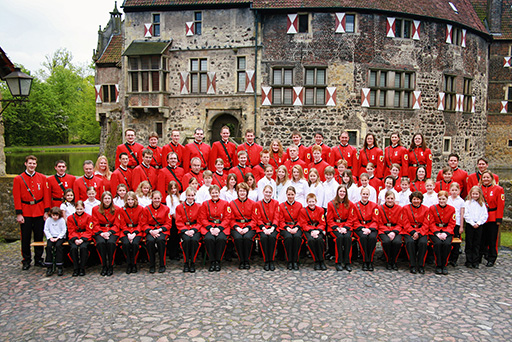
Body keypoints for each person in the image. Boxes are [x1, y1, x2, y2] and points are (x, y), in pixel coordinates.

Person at [13, 155, 50, 270]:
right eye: (30, 163)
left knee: (39, 237)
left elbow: (46, 196)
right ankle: (26, 259)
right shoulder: (19, 179)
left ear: (36, 165)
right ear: (25, 164)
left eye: (34, 163)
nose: (32, 165)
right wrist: (19, 213)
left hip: (39, 210)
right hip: (26, 211)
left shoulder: (42, 178)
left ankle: (38, 259)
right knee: (25, 237)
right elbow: (17, 197)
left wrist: (46, 211)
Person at [199, 185, 230, 272]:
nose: (215, 194)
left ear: (219, 193)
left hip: (221, 227)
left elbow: (227, 218)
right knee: (209, 239)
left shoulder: (225, 203)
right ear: (210, 194)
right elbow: (203, 218)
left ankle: (218, 261)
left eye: (216, 192)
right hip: (209, 227)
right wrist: (210, 229)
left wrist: (219, 228)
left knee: (221, 239)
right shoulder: (205, 204)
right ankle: (212, 261)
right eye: (213, 193)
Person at [479, 170, 505, 267]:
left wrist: (499, 218)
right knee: (482, 238)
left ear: (491, 178)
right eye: (484, 177)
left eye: (487, 177)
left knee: (492, 239)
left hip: (493, 216)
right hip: (481, 217)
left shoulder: (498, 189)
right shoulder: (479, 189)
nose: (486, 179)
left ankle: (492, 257)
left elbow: (500, 205)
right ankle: (480, 255)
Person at [327, 185, 356, 272]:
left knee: (347, 238)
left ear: (346, 193)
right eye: (340, 191)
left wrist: (346, 228)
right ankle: (338, 262)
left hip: (346, 226)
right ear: (337, 192)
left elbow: (351, 218)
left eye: (344, 192)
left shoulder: (350, 204)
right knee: (339, 238)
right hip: (335, 226)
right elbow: (329, 219)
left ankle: (347, 262)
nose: (342, 193)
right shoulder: (331, 204)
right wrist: (337, 228)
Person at [228, 182, 257, 270]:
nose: (242, 193)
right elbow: (231, 219)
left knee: (247, 238)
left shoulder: (253, 203)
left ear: (247, 192)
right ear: (237, 192)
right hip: (236, 226)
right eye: (240, 191)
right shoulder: (232, 204)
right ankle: (241, 260)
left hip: (249, 226)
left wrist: (248, 228)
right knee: (238, 238)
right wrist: (237, 227)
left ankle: (247, 260)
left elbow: (254, 219)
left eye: (244, 191)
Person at [426, 191, 455, 275]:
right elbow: (430, 222)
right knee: (437, 243)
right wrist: (437, 233)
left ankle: (444, 264)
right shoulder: (432, 208)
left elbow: (452, 223)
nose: (442, 201)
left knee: (447, 244)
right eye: (440, 199)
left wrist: (446, 233)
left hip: (447, 231)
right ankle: (438, 264)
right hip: (435, 231)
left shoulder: (451, 209)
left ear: (447, 199)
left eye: (444, 199)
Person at [142, 191, 171, 273]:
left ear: (161, 199)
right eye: (155, 198)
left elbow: (168, 224)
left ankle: (162, 264)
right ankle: (152, 264)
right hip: (150, 230)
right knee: (150, 241)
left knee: (161, 241)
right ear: (151, 199)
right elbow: (143, 223)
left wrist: (159, 230)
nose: (157, 200)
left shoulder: (166, 209)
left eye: (158, 198)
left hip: (161, 230)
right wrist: (151, 231)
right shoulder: (146, 209)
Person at [92, 191, 119, 276]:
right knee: (100, 243)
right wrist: (102, 233)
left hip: (112, 230)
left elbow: (117, 224)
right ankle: (104, 265)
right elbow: (94, 224)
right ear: (102, 200)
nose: (107, 200)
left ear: (111, 199)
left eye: (109, 198)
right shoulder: (95, 209)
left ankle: (110, 265)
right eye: (105, 198)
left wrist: (109, 232)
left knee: (111, 243)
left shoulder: (117, 209)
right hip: (100, 230)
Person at [401, 191, 429, 274]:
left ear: (421, 200)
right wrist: (413, 232)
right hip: (409, 231)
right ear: (411, 200)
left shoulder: (426, 209)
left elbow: (426, 223)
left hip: (421, 231)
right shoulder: (405, 208)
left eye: (418, 199)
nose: (416, 201)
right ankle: (412, 265)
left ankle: (421, 265)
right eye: (414, 199)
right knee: (410, 242)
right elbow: (405, 222)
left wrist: (419, 233)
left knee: (423, 243)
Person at [175, 187, 202, 273]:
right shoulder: (179, 207)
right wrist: (185, 230)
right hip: (184, 229)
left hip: (195, 229)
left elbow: (200, 221)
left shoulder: (199, 206)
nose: (190, 197)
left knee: (194, 240)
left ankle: (193, 262)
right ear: (186, 196)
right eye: (189, 195)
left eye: (192, 195)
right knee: (186, 241)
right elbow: (178, 221)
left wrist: (193, 230)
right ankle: (186, 262)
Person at [278, 186, 303, 270]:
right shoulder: (282, 206)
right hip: (285, 227)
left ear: (295, 194)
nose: (290, 196)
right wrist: (287, 228)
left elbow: (301, 219)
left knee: (297, 237)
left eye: (292, 194)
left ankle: (295, 261)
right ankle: (289, 260)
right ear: (286, 195)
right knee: (288, 238)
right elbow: (280, 220)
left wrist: (296, 228)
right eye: (288, 194)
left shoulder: (299, 205)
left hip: (296, 227)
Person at [118, 191, 144, 274]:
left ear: (135, 200)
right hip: (126, 231)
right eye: (128, 199)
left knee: (135, 244)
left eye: (132, 199)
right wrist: (128, 233)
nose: (130, 201)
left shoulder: (140, 209)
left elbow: (141, 223)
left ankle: (134, 263)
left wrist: (134, 233)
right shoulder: (122, 210)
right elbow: (122, 223)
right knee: (125, 244)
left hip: (137, 230)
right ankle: (129, 263)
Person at [353, 187, 379, 271]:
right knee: (363, 238)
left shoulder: (374, 205)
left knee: (372, 238)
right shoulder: (355, 205)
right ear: (360, 194)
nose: (365, 196)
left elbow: (376, 220)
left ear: (369, 195)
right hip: (360, 227)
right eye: (363, 194)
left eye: (367, 194)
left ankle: (370, 260)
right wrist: (362, 228)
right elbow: (354, 219)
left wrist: (370, 229)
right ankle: (365, 260)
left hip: (371, 227)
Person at [255, 185, 279, 271]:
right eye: (266, 192)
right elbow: (258, 218)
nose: (268, 194)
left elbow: (277, 217)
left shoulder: (276, 203)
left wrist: (272, 228)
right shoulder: (258, 204)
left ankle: (271, 260)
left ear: (272, 193)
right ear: (263, 192)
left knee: (272, 237)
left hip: (273, 227)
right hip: (263, 227)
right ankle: (266, 261)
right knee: (264, 238)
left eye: (269, 192)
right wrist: (264, 228)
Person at [300, 193, 327, 271]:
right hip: (308, 230)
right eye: (309, 202)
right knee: (311, 241)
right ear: (307, 202)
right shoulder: (303, 211)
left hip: (318, 230)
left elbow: (322, 223)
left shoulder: (320, 210)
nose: (311, 204)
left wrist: (318, 231)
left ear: (316, 201)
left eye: (313, 201)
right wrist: (311, 231)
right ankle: (316, 260)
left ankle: (321, 260)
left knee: (319, 240)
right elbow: (303, 224)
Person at [377, 191, 403, 271]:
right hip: (384, 230)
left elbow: (400, 223)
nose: (390, 200)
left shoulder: (399, 208)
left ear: (394, 199)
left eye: (392, 198)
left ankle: (394, 261)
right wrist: (388, 232)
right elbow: (379, 222)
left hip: (396, 230)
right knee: (386, 242)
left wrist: (394, 232)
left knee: (397, 242)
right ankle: (388, 261)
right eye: (388, 198)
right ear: (385, 199)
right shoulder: (380, 208)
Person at [463, 186, 488, 269]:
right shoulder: (467, 203)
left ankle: (475, 261)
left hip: (479, 225)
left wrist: (479, 223)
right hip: (470, 225)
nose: (475, 195)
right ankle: (469, 261)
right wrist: (472, 223)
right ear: (471, 194)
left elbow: (485, 215)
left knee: (477, 243)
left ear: (479, 194)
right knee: (469, 243)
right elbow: (466, 214)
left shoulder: (482, 204)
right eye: (473, 194)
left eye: (477, 194)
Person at [67, 200, 93, 276]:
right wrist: (75, 239)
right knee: (73, 248)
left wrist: (82, 239)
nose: (79, 211)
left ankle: (82, 267)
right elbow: (71, 230)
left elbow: (89, 230)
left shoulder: (89, 217)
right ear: (75, 208)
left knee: (83, 248)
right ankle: (75, 268)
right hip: (74, 237)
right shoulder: (70, 218)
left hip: (85, 237)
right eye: (77, 209)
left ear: (84, 208)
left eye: (81, 209)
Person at [43, 207, 67, 276]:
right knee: (49, 247)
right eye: (54, 215)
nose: (55, 217)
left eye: (57, 215)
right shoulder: (48, 220)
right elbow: (46, 229)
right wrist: (50, 237)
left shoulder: (61, 220)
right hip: (51, 236)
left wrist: (58, 237)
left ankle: (59, 266)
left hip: (60, 237)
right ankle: (49, 266)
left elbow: (63, 230)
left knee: (58, 246)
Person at [447, 182, 465, 266]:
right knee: (448, 241)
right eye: (452, 190)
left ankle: (454, 259)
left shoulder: (461, 201)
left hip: (457, 223)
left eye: (456, 190)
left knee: (456, 242)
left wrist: (461, 226)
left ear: (459, 191)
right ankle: (448, 257)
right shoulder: (448, 199)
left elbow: (462, 214)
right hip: (448, 223)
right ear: (449, 190)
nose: (454, 192)